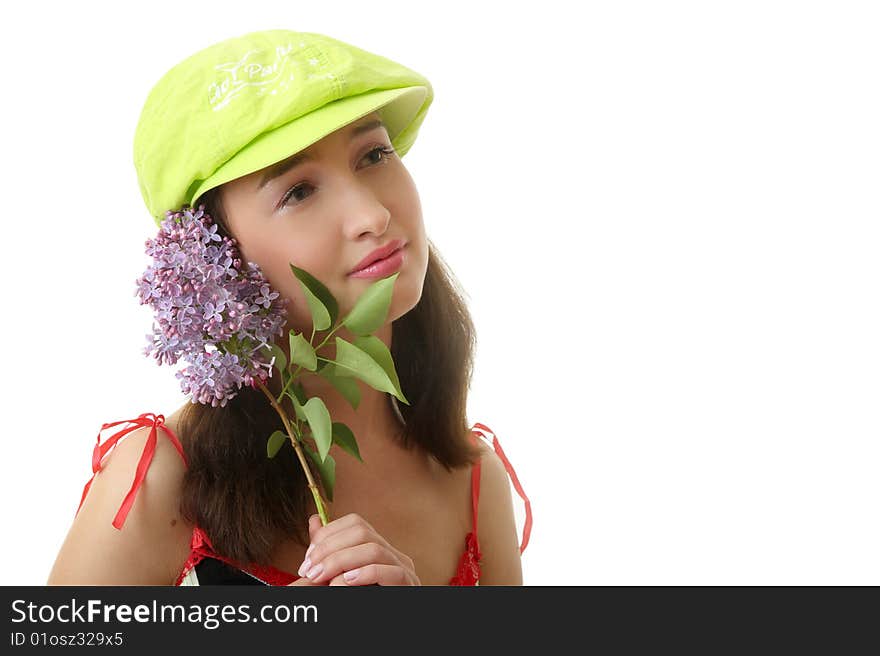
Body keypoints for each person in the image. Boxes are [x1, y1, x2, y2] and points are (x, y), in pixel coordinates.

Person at [47, 29, 531, 586]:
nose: (371, 213)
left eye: (374, 153)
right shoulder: (161, 478)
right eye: (299, 191)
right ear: (212, 257)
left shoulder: (471, 481)